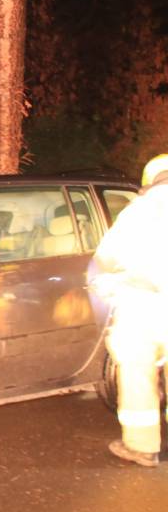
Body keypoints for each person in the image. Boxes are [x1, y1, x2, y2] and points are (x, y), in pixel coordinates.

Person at [91, 154, 168, 467]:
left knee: (137, 372)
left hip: (144, 306)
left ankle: (142, 446)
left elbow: (106, 257)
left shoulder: (140, 211)